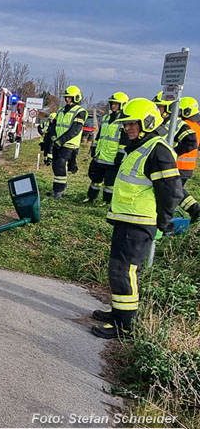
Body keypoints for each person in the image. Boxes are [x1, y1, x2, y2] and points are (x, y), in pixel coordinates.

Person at [91, 98, 183, 339]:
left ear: (148, 122)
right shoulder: (141, 146)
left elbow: (171, 191)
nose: (128, 128)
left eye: (133, 124)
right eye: (127, 124)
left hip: (139, 223)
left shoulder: (158, 150)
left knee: (125, 272)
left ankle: (124, 326)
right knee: (117, 270)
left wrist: (163, 222)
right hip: (127, 220)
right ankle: (118, 313)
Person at [154, 92, 200, 221]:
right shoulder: (162, 122)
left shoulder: (179, 124)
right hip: (173, 165)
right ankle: (195, 210)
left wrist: (171, 153)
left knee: (172, 193)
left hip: (178, 165)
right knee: (176, 191)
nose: (157, 109)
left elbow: (191, 142)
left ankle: (166, 221)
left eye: (160, 106)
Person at [84, 92, 129, 204]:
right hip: (101, 155)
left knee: (109, 182)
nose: (113, 106)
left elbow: (124, 140)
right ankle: (91, 197)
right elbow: (100, 135)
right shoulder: (105, 118)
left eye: (116, 104)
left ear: (122, 105)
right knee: (95, 179)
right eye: (112, 103)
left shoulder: (124, 121)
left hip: (113, 157)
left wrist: (120, 155)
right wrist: (94, 148)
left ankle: (107, 201)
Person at [45, 85, 87, 198]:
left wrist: (61, 140)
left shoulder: (80, 111)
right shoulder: (61, 110)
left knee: (60, 165)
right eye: (66, 97)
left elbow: (75, 129)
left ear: (76, 98)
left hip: (69, 144)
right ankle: (60, 187)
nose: (67, 99)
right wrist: (53, 137)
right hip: (58, 142)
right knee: (55, 166)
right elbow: (53, 125)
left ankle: (58, 192)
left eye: (70, 97)